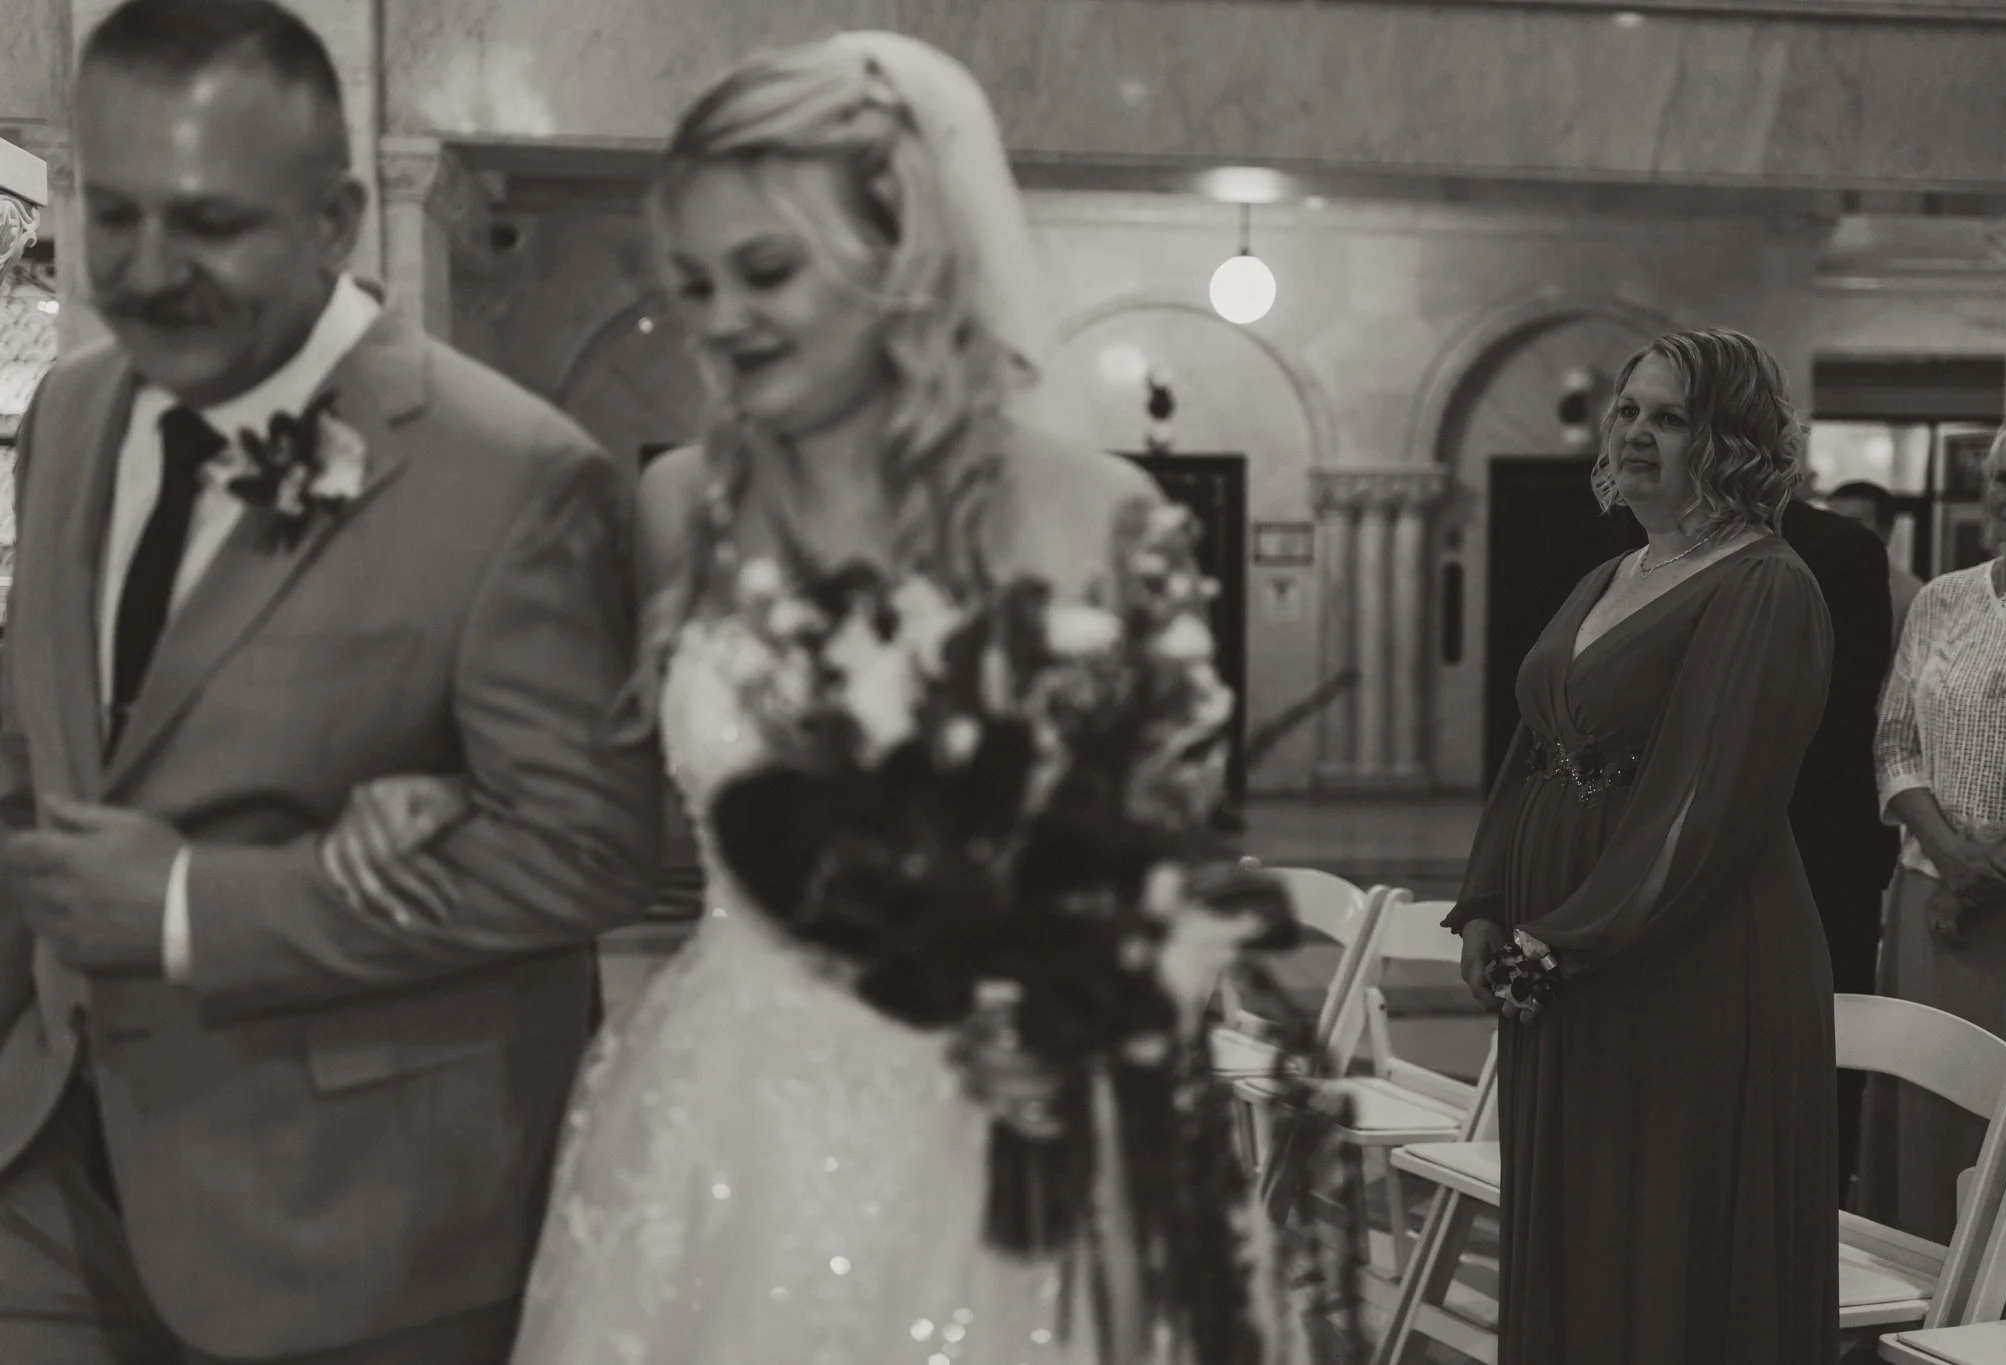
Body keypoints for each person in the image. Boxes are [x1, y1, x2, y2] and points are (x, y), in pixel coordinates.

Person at [0, 3, 663, 1362]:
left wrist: (193, 907)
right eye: (110, 216)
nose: (146, 272)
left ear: (338, 219)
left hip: (358, 1238)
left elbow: (591, 849)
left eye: (209, 223)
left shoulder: (518, 478)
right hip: (51, 1182)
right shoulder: (67, 415)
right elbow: (40, 749)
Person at [489, 34, 1160, 1364]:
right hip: (713, 1115)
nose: (722, 318)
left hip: (979, 1125)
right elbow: (596, 810)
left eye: (768, 270)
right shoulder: (686, 503)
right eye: (698, 281)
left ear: (901, 254)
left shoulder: (1096, 514)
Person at [1449, 328, 1838, 1364]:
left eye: (1669, 418)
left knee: (1660, 1220)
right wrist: (1487, 900)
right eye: (1627, 410)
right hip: (1567, 949)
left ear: (1732, 442)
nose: (1633, 434)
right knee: (1577, 1206)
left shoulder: (1766, 586)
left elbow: (1705, 804)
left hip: (1683, 953)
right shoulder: (1609, 574)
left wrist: (1567, 939)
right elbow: (1533, 751)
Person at [1861, 411, 2006, 1247]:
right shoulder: (1941, 598)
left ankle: (2003, 1297)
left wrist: (1993, 869)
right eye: (2004, 479)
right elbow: (1894, 736)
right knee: (1918, 1094)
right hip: (1925, 897)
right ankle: (1908, 1283)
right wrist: (1945, 852)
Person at [1777, 492, 1899, 1202]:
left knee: (1830, 1030)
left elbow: (1848, 702)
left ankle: (1824, 1194)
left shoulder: (1843, 551)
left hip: (1822, 832)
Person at [1828, 479, 1925, 647]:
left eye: (1853, 523)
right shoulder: (1810, 584)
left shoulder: (1912, 596)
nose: (1837, 532)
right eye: (1830, 522)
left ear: (1885, 530)